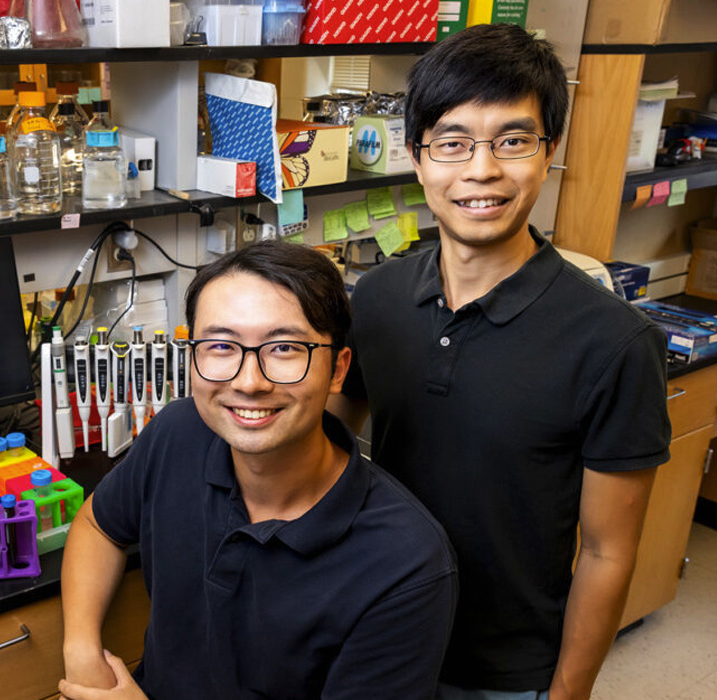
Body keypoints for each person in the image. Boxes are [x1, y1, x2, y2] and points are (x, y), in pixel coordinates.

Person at [330, 23, 672, 700]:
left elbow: (608, 553)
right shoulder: (377, 298)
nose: (481, 169)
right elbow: (324, 447)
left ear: (549, 152)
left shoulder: (615, 342)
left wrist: (567, 694)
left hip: (510, 676)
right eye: (453, 142)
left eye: (512, 141)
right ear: (417, 156)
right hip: (377, 641)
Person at [59, 241, 458, 700]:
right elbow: (97, 524)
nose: (249, 382)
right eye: (222, 346)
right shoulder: (179, 433)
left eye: (285, 347)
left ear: (337, 370)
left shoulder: (406, 565)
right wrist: (82, 649)